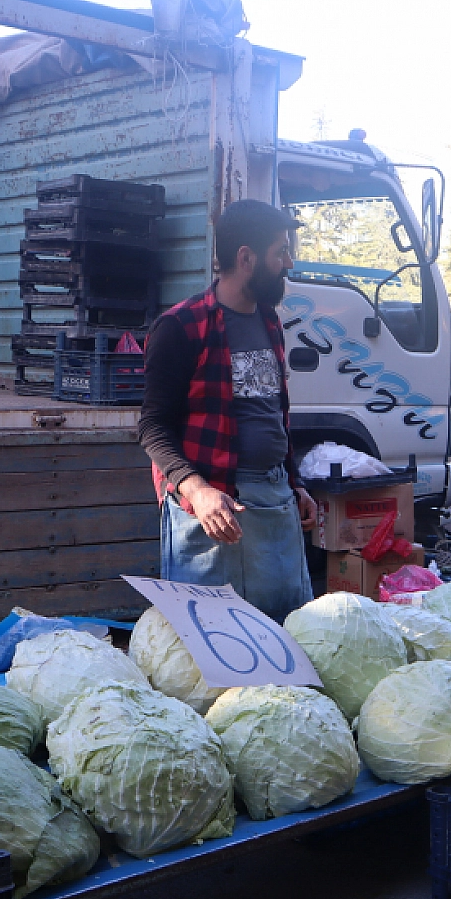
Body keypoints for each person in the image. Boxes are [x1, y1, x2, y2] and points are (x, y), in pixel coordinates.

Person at [137, 199, 316, 623]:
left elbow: (271, 414)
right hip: (213, 512)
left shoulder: (269, 321)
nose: (289, 263)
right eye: (281, 252)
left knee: (284, 629)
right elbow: (152, 427)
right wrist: (197, 491)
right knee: (211, 636)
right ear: (246, 258)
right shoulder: (180, 327)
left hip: (274, 503)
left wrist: (295, 485)